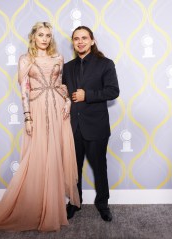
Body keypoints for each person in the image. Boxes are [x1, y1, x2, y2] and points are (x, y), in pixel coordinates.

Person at [0, 22, 80, 232]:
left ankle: (54, 204)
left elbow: (62, 83)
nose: (45, 39)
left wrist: (68, 102)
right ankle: (38, 205)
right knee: (39, 155)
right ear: (33, 36)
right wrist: (27, 117)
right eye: (41, 34)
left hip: (59, 108)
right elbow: (24, 90)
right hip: (36, 108)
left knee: (57, 154)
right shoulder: (25, 59)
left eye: (48, 35)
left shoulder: (58, 57)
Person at [63, 26, 119, 222]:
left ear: (92, 41)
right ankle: (75, 203)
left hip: (96, 126)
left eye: (84, 38)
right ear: (73, 42)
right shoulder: (67, 67)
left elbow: (113, 91)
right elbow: (63, 94)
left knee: (99, 168)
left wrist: (88, 95)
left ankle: (103, 204)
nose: (80, 41)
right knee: (73, 169)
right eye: (76, 38)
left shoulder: (105, 64)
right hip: (72, 126)